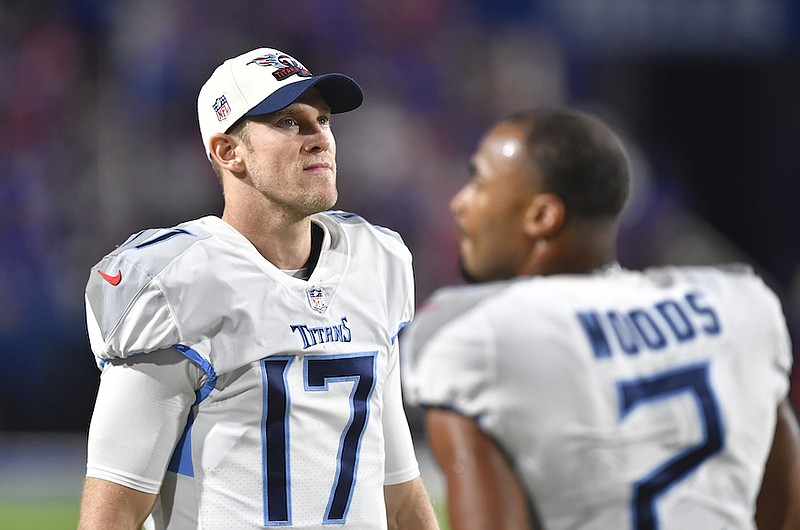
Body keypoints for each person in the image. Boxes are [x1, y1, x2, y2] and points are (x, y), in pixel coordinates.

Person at [77, 47, 439, 530]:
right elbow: (114, 510)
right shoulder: (175, 282)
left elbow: (400, 490)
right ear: (229, 151)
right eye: (289, 123)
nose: (319, 139)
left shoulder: (378, 261)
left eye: (324, 121)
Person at [401, 108, 800, 529]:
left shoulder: (473, 335)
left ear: (542, 216)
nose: (459, 202)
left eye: (479, 182)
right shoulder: (736, 304)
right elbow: (787, 512)